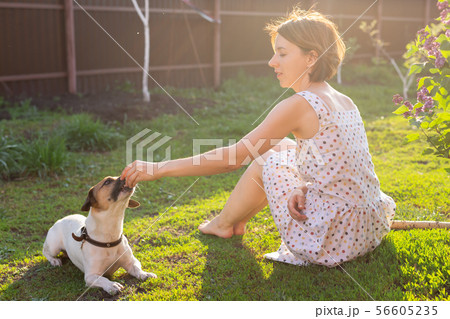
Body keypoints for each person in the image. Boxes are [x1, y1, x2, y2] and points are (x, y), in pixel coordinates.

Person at [121, 8, 396, 267]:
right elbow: (337, 167)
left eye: (282, 53)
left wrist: (159, 169)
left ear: (311, 57)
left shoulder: (299, 105)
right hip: (368, 227)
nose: (272, 62)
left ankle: (224, 223)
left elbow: (234, 158)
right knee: (280, 147)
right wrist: (303, 188)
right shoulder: (344, 100)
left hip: (333, 241)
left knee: (267, 157)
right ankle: (229, 223)